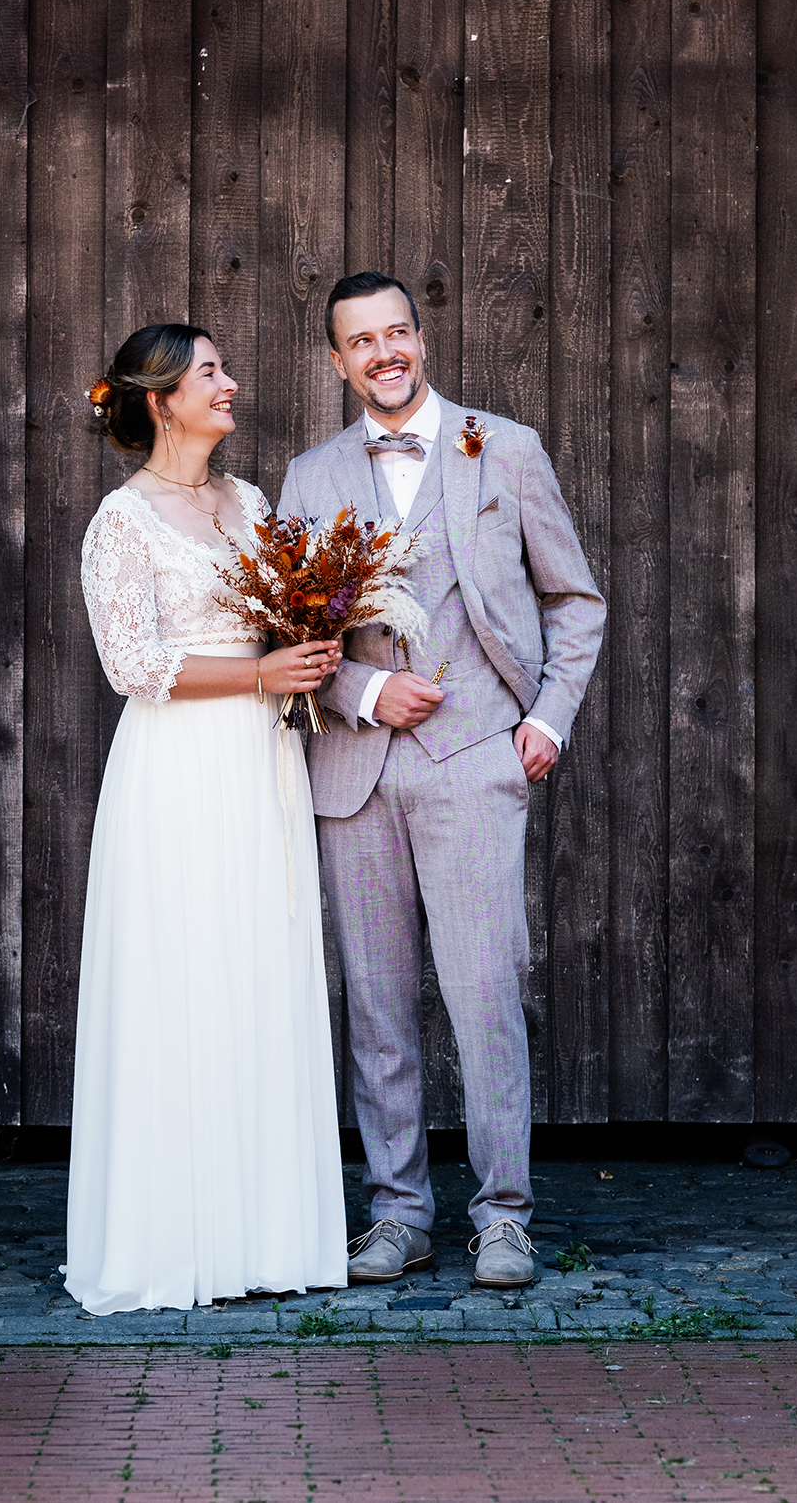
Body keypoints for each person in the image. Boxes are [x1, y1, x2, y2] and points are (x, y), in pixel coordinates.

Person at [278, 273, 605, 1290]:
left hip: (476, 761)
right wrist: (369, 691)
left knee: (484, 993)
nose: (382, 352)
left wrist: (546, 718)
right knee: (376, 1003)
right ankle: (397, 1212)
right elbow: (286, 636)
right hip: (355, 771)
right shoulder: (309, 474)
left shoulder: (502, 446)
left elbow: (574, 599)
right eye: (359, 341)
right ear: (338, 362)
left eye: (395, 333)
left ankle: (502, 1215)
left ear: (420, 338)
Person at [64, 322, 347, 1313]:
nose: (231, 382)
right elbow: (134, 666)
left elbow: (284, 617)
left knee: (257, 968)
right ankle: (175, 1239)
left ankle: (267, 1236)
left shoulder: (252, 503)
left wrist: (308, 643)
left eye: (227, 365)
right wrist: (260, 669)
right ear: (160, 400)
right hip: (179, 769)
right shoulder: (124, 521)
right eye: (211, 372)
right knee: (182, 977)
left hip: (261, 762)